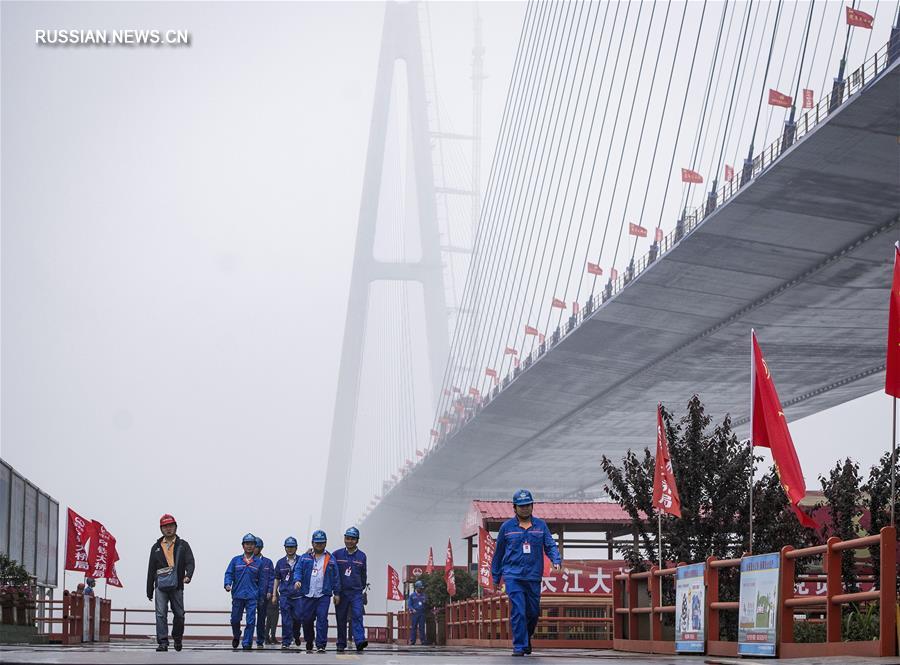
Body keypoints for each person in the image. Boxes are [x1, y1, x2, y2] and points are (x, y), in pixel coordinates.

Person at [491, 489, 561, 657]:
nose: (525, 509)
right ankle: (519, 646)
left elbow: (550, 545)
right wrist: (496, 576)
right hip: (513, 576)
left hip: (533, 576)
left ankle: (526, 638)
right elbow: (498, 553)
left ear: (532, 506)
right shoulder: (506, 528)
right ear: (514, 507)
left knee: (533, 612)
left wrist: (556, 559)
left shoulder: (541, 525)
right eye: (521, 506)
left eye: (527, 505)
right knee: (518, 610)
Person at [146, 513, 195, 653]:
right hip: (160, 585)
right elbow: (150, 569)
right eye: (165, 526)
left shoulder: (183, 545)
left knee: (179, 614)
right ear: (161, 529)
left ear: (176, 527)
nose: (168, 529)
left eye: (171, 526)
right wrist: (149, 590)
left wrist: (188, 576)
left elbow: (190, 562)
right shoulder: (155, 547)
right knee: (160, 614)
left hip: (177, 584)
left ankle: (177, 637)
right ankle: (162, 642)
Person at [293, 530, 341, 653]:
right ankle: (309, 640)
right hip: (307, 594)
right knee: (307, 619)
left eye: (321, 543)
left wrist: (337, 593)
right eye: (317, 543)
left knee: (322, 619)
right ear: (312, 543)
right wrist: (297, 580)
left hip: (323, 595)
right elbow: (298, 570)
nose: (319, 545)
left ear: (325, 543)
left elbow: (336, 577)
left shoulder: (330, 559)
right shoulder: (305, 557)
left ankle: (320, 644)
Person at [224, 533, 265, 651]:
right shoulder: (236, 560)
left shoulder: (259, 563)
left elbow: (262, 581)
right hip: (238, 595)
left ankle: (247, 643)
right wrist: (227, 584)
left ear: (255, 546)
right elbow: (229, 574)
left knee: (251, 620)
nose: (249, 546)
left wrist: (261, 596)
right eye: (247, 544)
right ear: (243, 545)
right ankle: (237, 635)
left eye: (252, 544)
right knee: (235, 619)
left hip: (252, 596)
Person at [332, 526, 368, 653]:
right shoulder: (336, 554)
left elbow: (364, 575)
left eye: (353, 539)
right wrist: (335, 592)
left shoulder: (362, 556)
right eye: (347, 538)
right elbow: (329, 566)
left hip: (356, 592)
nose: (350, 541)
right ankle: (341, 643)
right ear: (344, 539)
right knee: (341, 618)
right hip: (341, 592)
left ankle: (359, 641)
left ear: (357, 540)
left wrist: (361, 587)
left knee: (357, 615)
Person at [273, 537, 303, 650]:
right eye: (288, 547)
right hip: (285, 595)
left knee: (298, 618)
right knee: (286, 619)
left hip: (298, 595)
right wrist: (274, 594)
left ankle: (296, 634)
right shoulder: (280, 563)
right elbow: (276, 578)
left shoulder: (302, 560)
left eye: (292, 547)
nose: (290, 549)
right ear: (285, 548)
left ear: (296, 547)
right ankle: (286, 641)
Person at [252, 537, 275, 648]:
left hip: (264, 595)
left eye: (256, 547)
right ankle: (248, 640)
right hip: (251, 594)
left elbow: (271, 578)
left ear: (260, 548)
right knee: (251, 618)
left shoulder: (268, 562)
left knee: (261, 619)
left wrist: (270, 591)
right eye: (253, 546)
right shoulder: (248, 561)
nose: (254, 548)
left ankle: (260, 640)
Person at [407, 580, 428, 645]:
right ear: (416, 588)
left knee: (422, 627)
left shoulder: (424, 595)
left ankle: (423, 640)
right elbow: (409, 604)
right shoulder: (412, 595)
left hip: (422, 613)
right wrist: (412, 609)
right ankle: (412, 640)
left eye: (421, 588)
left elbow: (427, 604)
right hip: (415, 613)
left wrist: (426, 603)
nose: (421, 589)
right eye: (420, 588)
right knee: (414, 627)